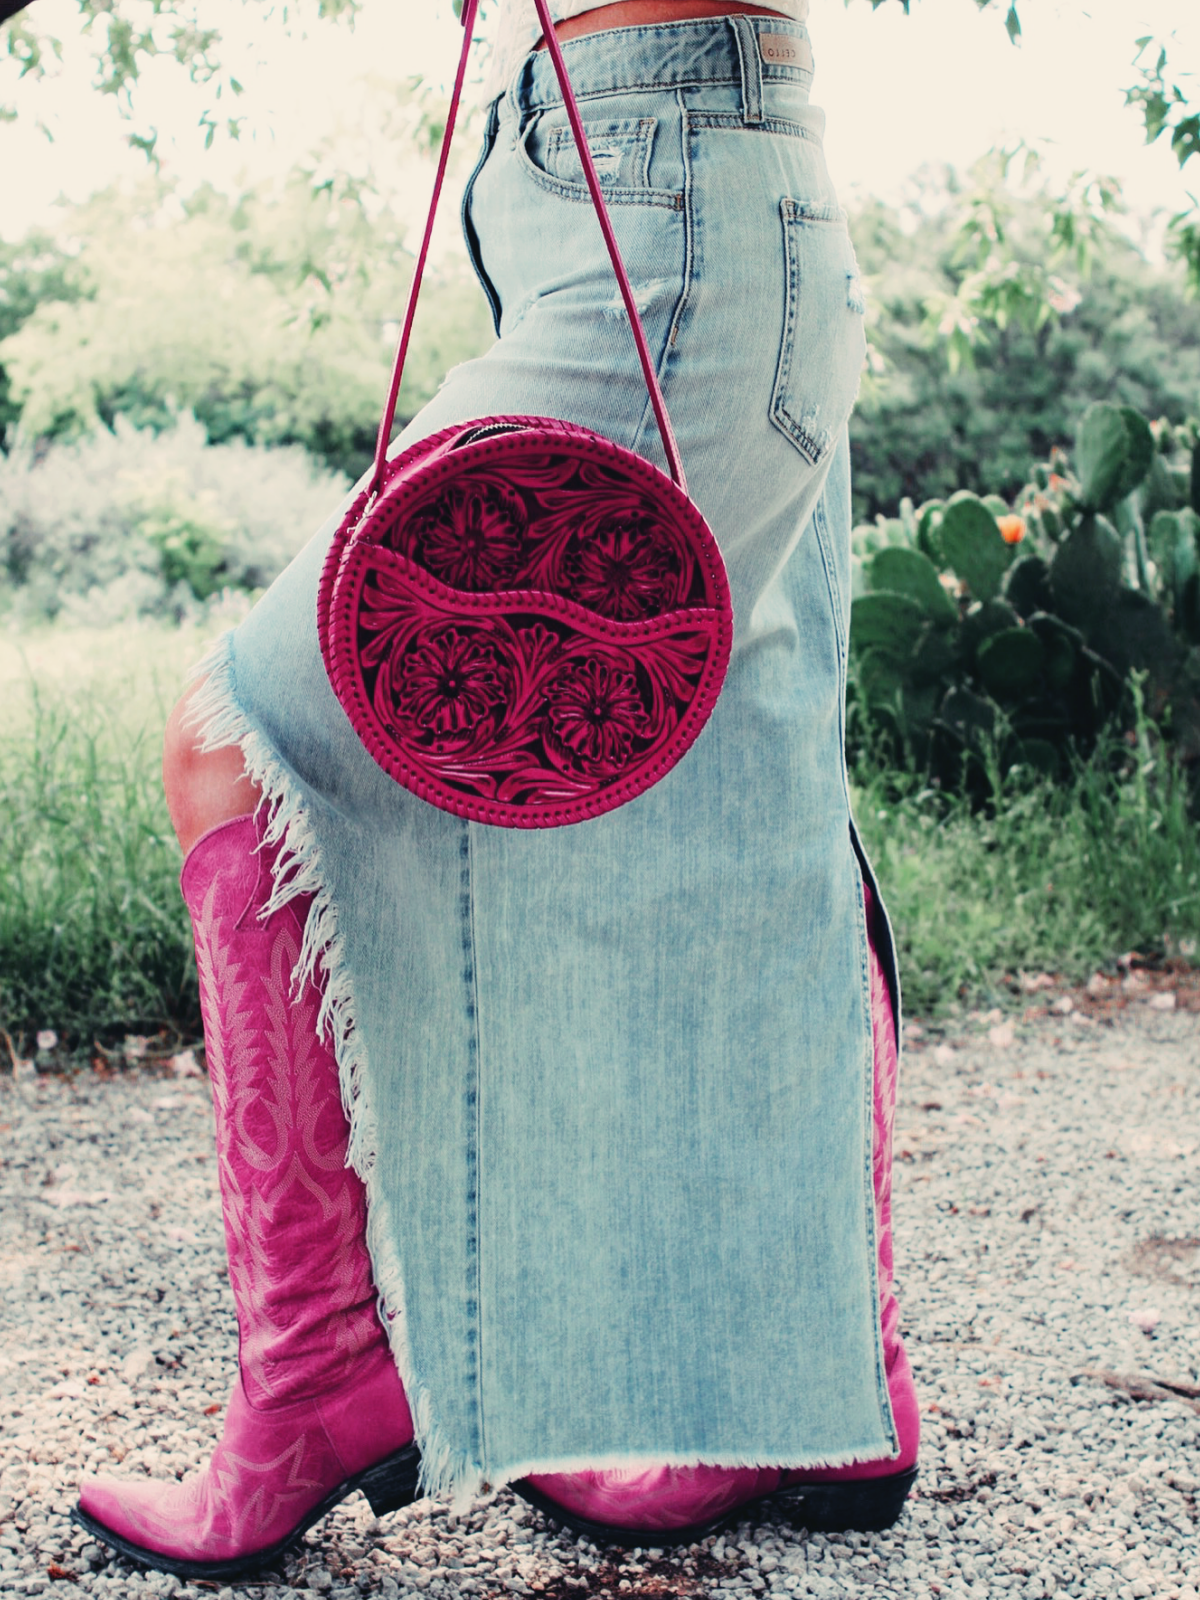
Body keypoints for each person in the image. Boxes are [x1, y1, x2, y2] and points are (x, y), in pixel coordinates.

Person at [72, 0, 919, 1579]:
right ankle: (828, 1384)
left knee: (238, 739)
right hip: (712, 193)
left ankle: (315, 1382)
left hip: (662, 200)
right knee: (748, 780)